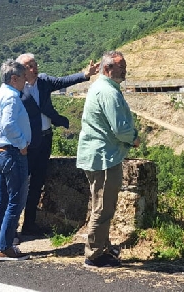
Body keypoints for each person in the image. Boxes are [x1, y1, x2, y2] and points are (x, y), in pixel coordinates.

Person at [15, 53, 98, 237]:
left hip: (45, 139)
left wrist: (86, 74)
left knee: (37, 183)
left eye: (35, 64)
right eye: (29, 66)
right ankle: (11, 228)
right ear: (20, 70)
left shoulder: (44, 81)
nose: (34, 68)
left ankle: (29, 225)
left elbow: (63, 81)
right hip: (27, 143)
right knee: (20, 185)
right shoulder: (17, 89)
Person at [76, 51, 140, 268]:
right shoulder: (108, 92)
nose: (125, 69)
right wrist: (134, 138)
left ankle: (102, 246)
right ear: (107, 68)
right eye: (121, 66)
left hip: (99, 154)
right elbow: (120, 128)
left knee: (102, 204)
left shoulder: (102, 88)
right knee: (103, 208)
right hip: (104, 156)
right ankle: (94, 254)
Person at [0, 59, 31, 261]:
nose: (26, 81)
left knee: (0, 201)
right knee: (15, 202)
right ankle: (5, 248)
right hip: (12, 152)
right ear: (14, 78)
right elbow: (8, 125)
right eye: (23, 77)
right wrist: (22, 144)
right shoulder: (12, 98)